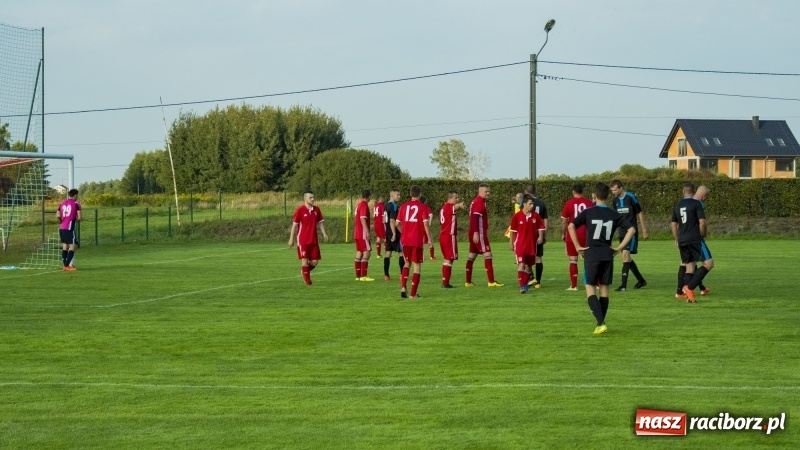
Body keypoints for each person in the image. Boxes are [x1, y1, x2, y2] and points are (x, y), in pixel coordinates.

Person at [568, 182, 635, 335]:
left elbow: (571, 226)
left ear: (594, 195)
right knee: (604, 290)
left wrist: (577, 246)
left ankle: (600, 323)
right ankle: (600, 324)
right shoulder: (613, 214)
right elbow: (631, 229)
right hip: (607, 254)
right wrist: (619, 248)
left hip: (591, 254)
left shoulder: (588, 212)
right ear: (608, 195)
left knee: (590, 289)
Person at [671, 183, 714, 303]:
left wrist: (677, 239)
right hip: (694, 239)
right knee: (709, 263)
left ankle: (689, 295)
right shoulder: (696, 203)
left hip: (682, 240)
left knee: (689, 267)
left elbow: (673, 225)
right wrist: (703, 235)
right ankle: (689, 288)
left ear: (683, 192)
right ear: (693, 191)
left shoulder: (677, 205)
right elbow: (702, 223)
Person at [609, 179, 648, 291]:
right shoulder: (615, 200)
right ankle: (641, 280)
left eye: (615, 190)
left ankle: (623, 286)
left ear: (621, 188)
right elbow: (616, 217)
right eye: (612, 191)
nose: (613, 192)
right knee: (626, 258)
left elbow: (639, 212)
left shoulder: (631, 197)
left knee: (625, 255)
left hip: (631, 231)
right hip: (622, 232)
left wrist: (644, 229)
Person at [396, 185, 433, 299]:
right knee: (417, 267)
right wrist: (429, 239)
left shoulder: (403, 206)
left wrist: (404, 232)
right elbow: (425, 224)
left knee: (407, 263)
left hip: (405, 240)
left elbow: (397, 223)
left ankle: (403, 287)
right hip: (416, 240)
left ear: (410, 194)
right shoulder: (422, 207)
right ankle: (413, 294)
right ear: (420, 194)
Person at [465, 183, 504, 287]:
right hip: (479, 233)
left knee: (472, 256)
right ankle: (491, 281)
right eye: (486, 191)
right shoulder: (479, 202)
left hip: (473, 232)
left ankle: (468, 282)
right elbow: (475, 218)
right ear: (480, 191)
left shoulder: (476, 201)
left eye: (489, 191)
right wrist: (476, 233)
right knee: (488, 255)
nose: (488, 193)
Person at [288, 191, 328, 285]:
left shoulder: (317, 210)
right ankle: (308, 281)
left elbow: (320, 223)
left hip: (314, 240)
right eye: (310, 197)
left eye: (313, 197)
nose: (313, 199)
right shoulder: (300, 210)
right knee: (305, 260)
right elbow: (294, 226)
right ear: (305, 199)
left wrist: (324, 233)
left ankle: (304, 271)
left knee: (315, 261)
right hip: (303, 240)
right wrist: (291, 239)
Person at [560, 183, 595, 291]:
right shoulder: (589, 203)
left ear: (573, 192)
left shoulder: (569, 203)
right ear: (583, 191)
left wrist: (563, 233)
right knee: (590, 260)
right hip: (587, 235)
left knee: (573, 259)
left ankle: (574, 286)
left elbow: (564, 221)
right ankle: (595, 283)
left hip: (572, 235)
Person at [509, 195, 545, 294]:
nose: (532, 205)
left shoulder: (535, 216)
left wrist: (540, 236)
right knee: (521, 265)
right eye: (530, 204)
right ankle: (522, 287)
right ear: (524, 204)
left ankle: (524, 285)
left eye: (533, 204)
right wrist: (511, 243)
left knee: (529, 267)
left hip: (531, 245)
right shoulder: (517, 216)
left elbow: (541, 227)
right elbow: (512, 230)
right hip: (520, 245)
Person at [438, 191, 466, 288]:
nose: (457, 199)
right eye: (456, 198)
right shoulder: (449, 207)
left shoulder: (443, 208)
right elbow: (457, 206)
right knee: (450, 259)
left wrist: (456, 227)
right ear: (450, 198)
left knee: (447, 259)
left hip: (443, 235)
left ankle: (445, 281)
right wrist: (461, 205)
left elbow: (446, 221)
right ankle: (445, 283)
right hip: (449, 236)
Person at [523, 184, 548, 288]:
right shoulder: (541, 203)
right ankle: (537, 281)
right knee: (538, 258)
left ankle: (530, 278)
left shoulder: (524, 203)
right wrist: (544, 234)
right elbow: (545, 220)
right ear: (535, 191)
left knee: (525, 257)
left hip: (527, 234)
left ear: (526, 191)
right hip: (539, 234)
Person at [56, 188, 82, 271]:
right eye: (77, 195)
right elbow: (80, 217)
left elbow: (57, 215)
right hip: (69, 228)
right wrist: (75, 219)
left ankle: (65, 265)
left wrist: (63, 220)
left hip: (62, 227)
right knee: (74, 246)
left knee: (65, 246)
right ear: (75, 195)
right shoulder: (76, 204)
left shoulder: (61, 203)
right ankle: (66, 265)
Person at [382, 189, 404, 281]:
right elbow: (392, 220)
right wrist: (394, 233)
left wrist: (387, 232)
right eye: (397, 195)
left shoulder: (386, 205)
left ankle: (386, 275)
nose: (399, 196)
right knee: (401, 252)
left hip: (388, 232)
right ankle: (402, 275)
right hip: (395, 232)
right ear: (392, 196)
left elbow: (384, 220)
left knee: (388, 253)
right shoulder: (394, 205)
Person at [353, 189, 374, 282]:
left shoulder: (358, 205)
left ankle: (358, 276)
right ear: (369, 196)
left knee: (359, 252)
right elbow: (362, 218)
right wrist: (366, 231)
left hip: (357, 233)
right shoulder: (364, 205)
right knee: (367, 252)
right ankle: (363, 276)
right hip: (362, 233)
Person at [419, 195, 436, 260]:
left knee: (420, 242)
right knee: (430, 240)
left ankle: (421, 256)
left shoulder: (418, 207)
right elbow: (431, 215)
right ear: (425, 201)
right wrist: (430, 223)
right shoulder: (426, 207)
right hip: (425, 226)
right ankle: (432, 256)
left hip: (419, 227)